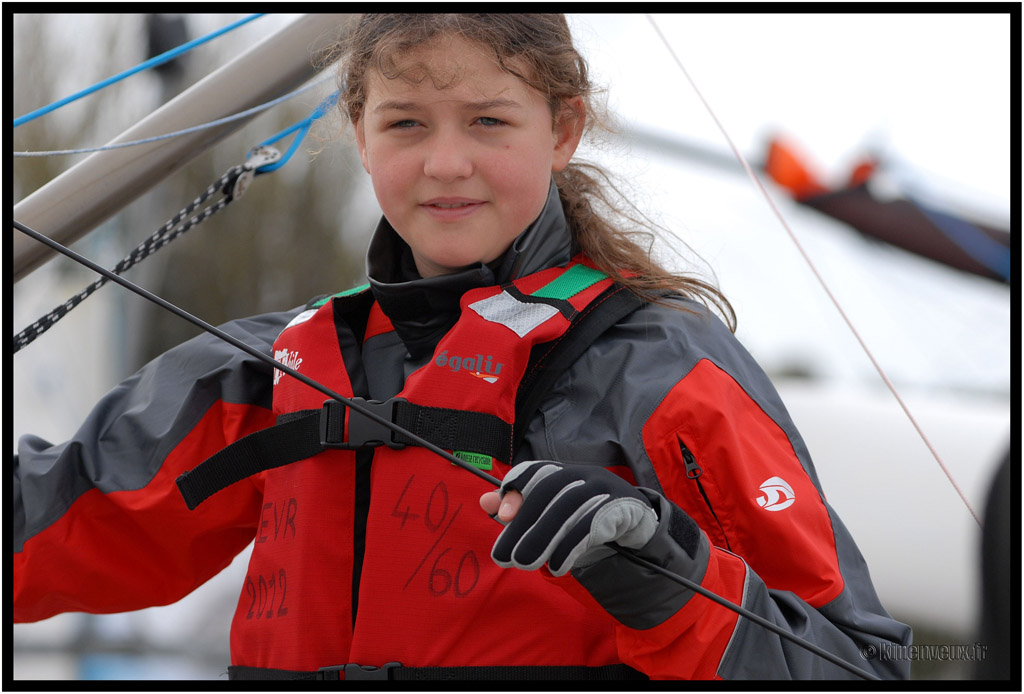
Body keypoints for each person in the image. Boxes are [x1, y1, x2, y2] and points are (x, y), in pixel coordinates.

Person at [13, 14, 911, 680]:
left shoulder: (667, 372)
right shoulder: (272, 368)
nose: (446, 164)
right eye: (406, 123)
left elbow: (858, 664)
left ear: (561, 130)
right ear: (359, 133)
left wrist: (675, 581)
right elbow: (45, 536)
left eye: (488, 121)